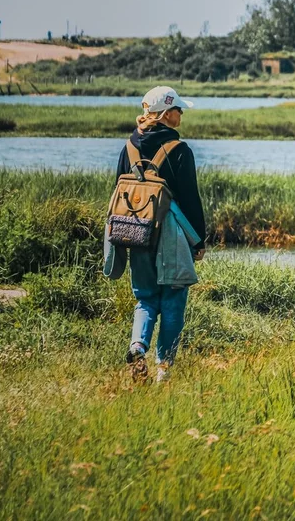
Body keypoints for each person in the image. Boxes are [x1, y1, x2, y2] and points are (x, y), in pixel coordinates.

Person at [117, 86, 207, 382]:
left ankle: (137, 345)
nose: (181, 114)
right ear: (167, 114)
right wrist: (199, 241)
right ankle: (163, 370)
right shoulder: (180, 150)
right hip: (170, 235)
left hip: (133, 231)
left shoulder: (128, 147)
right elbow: (190, 199)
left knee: (145, 298)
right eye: (179, 109)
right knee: (173, 297)